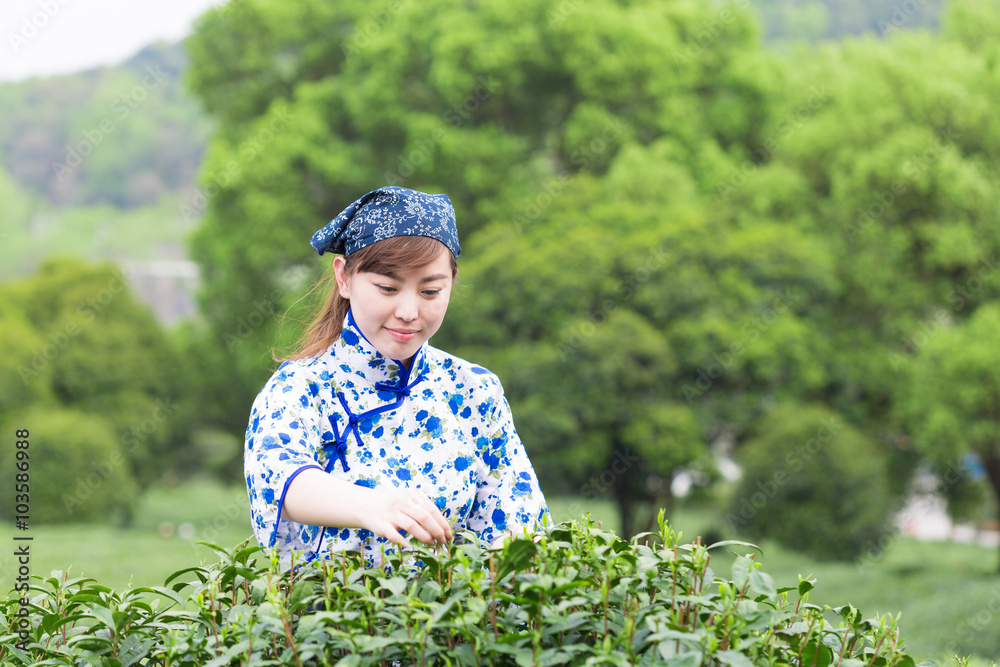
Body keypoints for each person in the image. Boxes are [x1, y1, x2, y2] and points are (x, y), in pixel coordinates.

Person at [244, 186, 550, 564]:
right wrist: (374, 507)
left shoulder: (475, 391)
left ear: (452, 283)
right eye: (387, 288)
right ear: (344, 278)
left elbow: (518, 528)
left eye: (431, 291)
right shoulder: (301, 387)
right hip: (332, 620)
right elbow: (278, 479)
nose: (408, 311)